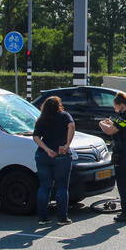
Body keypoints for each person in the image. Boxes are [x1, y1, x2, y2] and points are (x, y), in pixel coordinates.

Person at [98, 91, 126, 223]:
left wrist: (101, 123)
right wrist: (111, 123)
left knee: (123, 185)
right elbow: (121, 128)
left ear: (121, 105)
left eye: (115, 106)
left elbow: (110, 130)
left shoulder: (125, 116)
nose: (114, 109)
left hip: (125, 153)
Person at [32, 96, 76, 224]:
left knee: (44, 187)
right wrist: (67, 144)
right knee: (62, 187)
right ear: (59, 105)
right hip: (61, 154)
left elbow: (36, 137)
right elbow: (71, 126)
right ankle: (62, 218)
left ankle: (42, 218)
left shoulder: (42, 119)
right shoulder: (64, 116)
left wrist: (46, 149)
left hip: (43, 156)